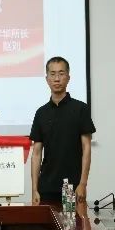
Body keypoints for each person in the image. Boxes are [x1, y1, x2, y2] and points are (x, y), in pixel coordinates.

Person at [30, 56, 96, 205]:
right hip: (46, 187)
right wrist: (34, 189)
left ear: (68, 77)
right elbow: (36, 153)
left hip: (73, 186)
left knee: (74, 221)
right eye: (52, 74)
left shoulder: (80, 109)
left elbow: (86, 148)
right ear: (47, 79)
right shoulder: (41, 113)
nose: (57, 79)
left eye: (61, 73)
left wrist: (83, 183)